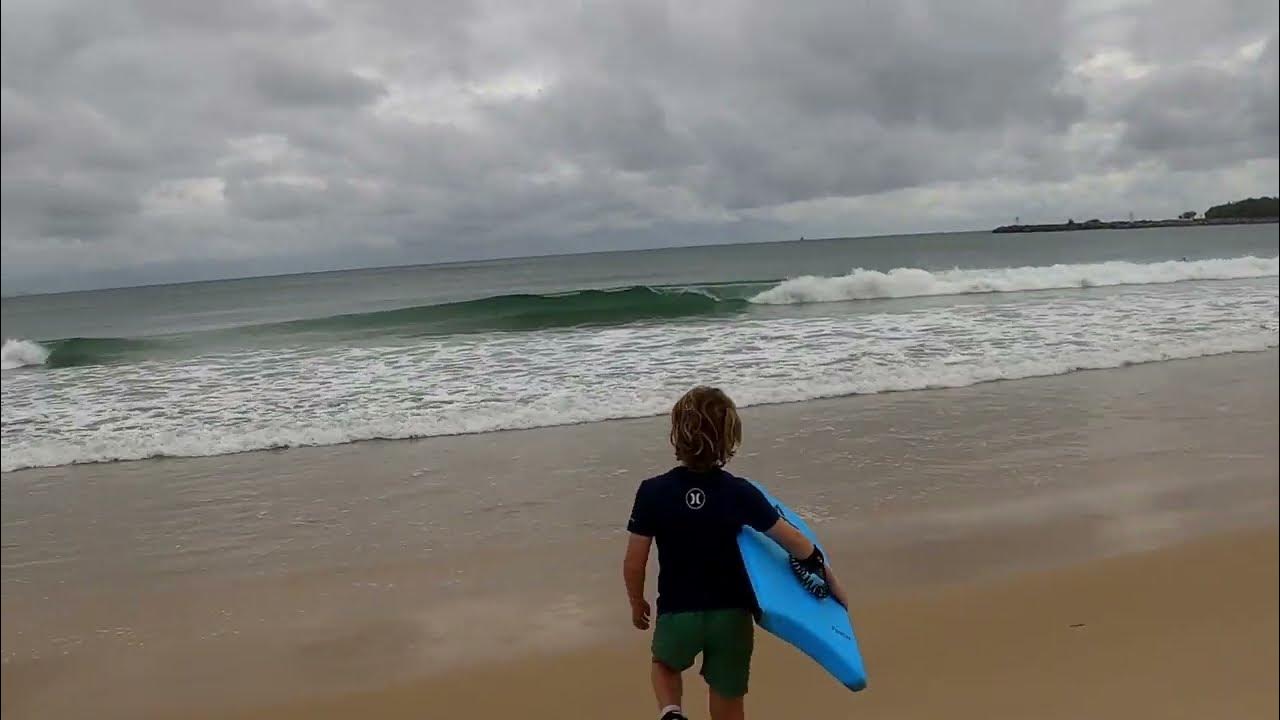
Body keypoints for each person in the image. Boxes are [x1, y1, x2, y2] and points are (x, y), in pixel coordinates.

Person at [622, 386, 849, 720]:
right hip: (732, 616)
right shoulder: (740, 493)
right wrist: (830, 580)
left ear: (676, 435)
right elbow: (796, 544)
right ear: (730, 438)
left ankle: (671, 712)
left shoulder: (653, 492)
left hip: (677, 611)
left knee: (665, 666)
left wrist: (636, 601)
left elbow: (634, 561)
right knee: (727, 694)